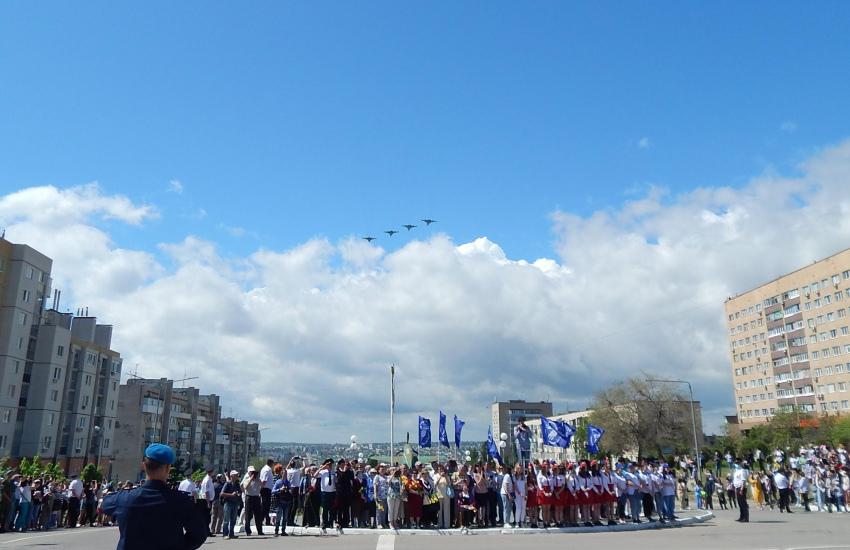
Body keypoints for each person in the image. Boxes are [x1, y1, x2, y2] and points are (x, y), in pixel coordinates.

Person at [100, 443, 208, 550]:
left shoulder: (124, 498)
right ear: (167, 468)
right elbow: (199, 534)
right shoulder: (181, 501)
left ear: (143, 466)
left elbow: (105, 504)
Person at [314, 459, 338, 533]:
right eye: (328, 465)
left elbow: (336, 481)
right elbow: (314, 476)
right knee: (325, 509)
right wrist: (321, 468)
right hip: (324, 492)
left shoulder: (333, 473)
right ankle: (325, 522)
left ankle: (330, 523)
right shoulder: (322, 472)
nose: (329, 466)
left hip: (332, 492)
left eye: (330, 465)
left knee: (332, 509)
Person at [241, 466, 264, 535]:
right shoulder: (247, 479)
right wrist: (250, 480)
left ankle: (259, 530)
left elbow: (262, 485)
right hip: (249, 498)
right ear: (249, 473)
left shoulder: (257, 480)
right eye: (251, 472)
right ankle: (248, 531)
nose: (253, 474)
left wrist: (258, 479)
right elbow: (245, 487)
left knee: (258, 515)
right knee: (248, 515)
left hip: (256, 498)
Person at [220, 470, 242, 540]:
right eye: (235, 475)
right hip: (228, 503)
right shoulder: (228, 484)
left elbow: (240, 492)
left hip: (235, 503)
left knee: (233, 520)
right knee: (226, 520)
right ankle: (225, 534)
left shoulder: (237, 484)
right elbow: (222, 493)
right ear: (232, 476)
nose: (237, 476)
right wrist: (231, 495)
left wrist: (238, 495)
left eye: (237, 475)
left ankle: (231, 533)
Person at [271, 469, 293, 537]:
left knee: (285, 518)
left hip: (286, 501)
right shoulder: (278, 482)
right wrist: (280, 489)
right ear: (281, 474)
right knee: (278, 518)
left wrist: (290, 491)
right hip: (280, 501)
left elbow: (290, 490)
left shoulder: (288, 482)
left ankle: (283, 530)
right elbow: (273, 491)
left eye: (286, 474)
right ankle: (276, 531)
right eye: (284, 474)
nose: (285, 475)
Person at [199, 466, 216, 537]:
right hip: (206, 500)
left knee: (207, 517)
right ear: (211, 471)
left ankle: (207, 531)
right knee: (206, 517)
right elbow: (206, 492)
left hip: (208, 500)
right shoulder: (207, 480)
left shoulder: (209, 479)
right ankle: (206, 532)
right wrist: (208, 502)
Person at [259, 459, 274, 527]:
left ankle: (267, 520)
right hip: (265, 489)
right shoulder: (267, 470)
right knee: (264, 506)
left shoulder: (267, 469)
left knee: (267, 506)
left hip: (267, 489)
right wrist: (259, 490)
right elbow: (263, 481)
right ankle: (260, 520)